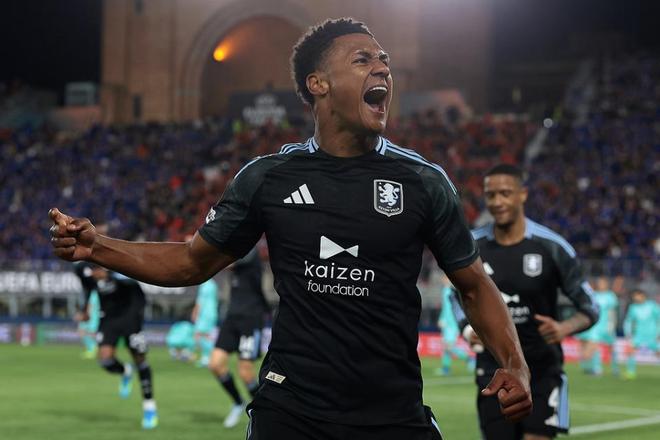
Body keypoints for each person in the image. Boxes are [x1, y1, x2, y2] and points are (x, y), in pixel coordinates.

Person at [49, 18, 532, 440]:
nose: (383, 68)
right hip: (290, 410)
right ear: (318, 83)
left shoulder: (424, 182)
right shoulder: (268, 178)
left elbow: (474, 285)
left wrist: (514, 364)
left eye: (384, 60)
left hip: (391, 412)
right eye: (363, 59)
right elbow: (191, 262)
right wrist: (98, 247)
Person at [452, 163, 599, 440]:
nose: (497, 202)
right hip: (494, 370)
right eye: (491, 195)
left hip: (543, 369)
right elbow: (455, 295)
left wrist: (565, 328)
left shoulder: (552, 247)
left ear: (523, 194)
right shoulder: (472, 245)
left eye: (505, 193)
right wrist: (467, 329)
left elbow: (590, 306)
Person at [73, 262, 158, 429]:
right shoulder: (85, 270)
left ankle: (149, 407)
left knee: (140, 361)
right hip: (108, 319)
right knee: (105, 360)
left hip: (130, 318)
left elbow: (136, 284)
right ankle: (125, 371)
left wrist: (109, 275)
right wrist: (85, 310)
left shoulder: (117, 265)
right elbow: (85, 283)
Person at [208, 247, 268, 428]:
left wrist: (203, 249)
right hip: (232, 317)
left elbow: (225, 261)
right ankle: (238, 402)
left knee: (245, 372)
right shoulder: (236, 252)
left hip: (251, 317)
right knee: (215, 364)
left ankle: (263, 413)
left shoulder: (250, 252)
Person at [576, 276, 619, 376]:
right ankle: (597, 369)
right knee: (595, 347)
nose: (601, 285)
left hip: (607, 325)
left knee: (611, 347)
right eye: (599, 283)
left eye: (603, 283)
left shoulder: (611, 296)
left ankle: (615, 368)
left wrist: (612, 325)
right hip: (596, 326)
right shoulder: (594, 295)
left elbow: (612, 312)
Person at [436, 276, 474, 376]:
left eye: (445, 278)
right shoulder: (446, 290)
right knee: (446, 346)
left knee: (448, 346)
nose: (443, 280)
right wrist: (441, 318)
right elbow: (445, 307)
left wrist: (444, 320)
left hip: (451, 323)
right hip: (448, 322)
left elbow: (450, 308)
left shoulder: (450, 291)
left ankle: (468, 358)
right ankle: (446, 369)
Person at [622, 288, 659, 379]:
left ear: (643, 296)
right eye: (634, 297)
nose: (635, 298)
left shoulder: (652, 306)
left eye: (637, 296)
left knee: (658, 352)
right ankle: (631, 372)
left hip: (652, 335)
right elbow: (628, 321)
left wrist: (659, 333)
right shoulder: (633, 307)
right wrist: (628, 333)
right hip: (638, 334)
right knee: (630, 351)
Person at [74, 262, 100, 359]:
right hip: (90, 314)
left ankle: (93, 349)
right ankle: (91, 349)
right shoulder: (92, 291)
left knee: (88, 332)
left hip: (92, 315)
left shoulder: (94, 292)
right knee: (83, 331)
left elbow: (91, 305)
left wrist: (85, 314)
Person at [192, 277, 219, 367]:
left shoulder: (205, 285)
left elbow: (200, 302)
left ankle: (210, 357)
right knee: (206, 336)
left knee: (199, 335)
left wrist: (195, 313)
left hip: (205, 314)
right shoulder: (213, 284)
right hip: (212, 313)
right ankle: (207, 358)